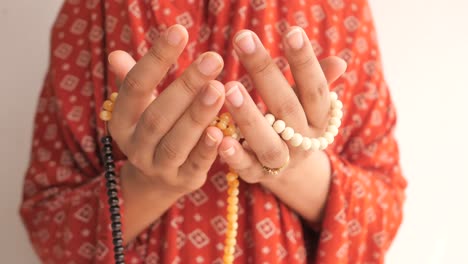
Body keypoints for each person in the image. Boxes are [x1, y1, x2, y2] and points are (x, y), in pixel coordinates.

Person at [19, 0, 407, 263]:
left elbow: (381, 216)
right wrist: (151, 184)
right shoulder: (98, 8)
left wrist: (293, 167)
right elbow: (48, 224)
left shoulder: (338, 8)